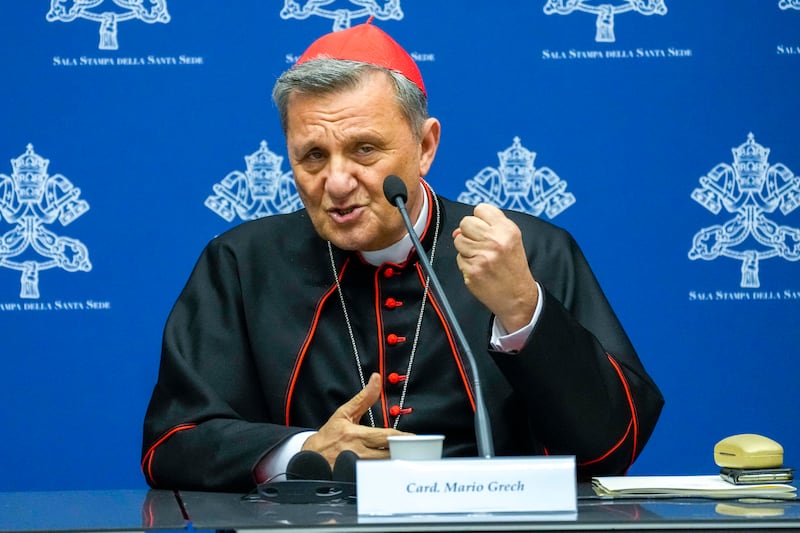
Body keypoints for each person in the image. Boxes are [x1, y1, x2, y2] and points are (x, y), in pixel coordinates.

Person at [141, 20, 664, 492]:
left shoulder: (528, 251)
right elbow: (172, 444)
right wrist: (305, 452)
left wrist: (522, 309)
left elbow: (611, 448)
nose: (337, 182)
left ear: (425, 146)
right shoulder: (240, 263)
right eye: (314, 156)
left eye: (364, 149)